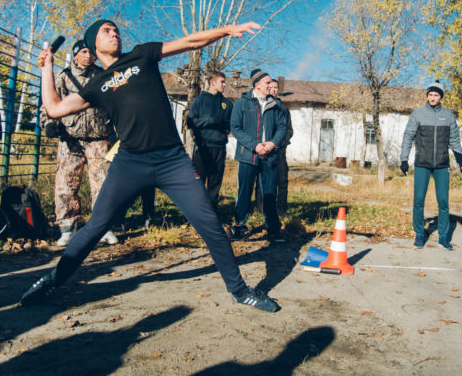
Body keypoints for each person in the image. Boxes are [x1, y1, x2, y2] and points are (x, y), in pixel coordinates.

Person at [20, 19, 280, 313]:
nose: (114, 33)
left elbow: (190, 42)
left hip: (172, 160)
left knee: (210, 224)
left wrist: (226, 30)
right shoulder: (96, 85)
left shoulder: (141, 55)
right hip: (130, 163)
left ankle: (239, 290)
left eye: (116, 29)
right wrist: (46, 68)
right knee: (95, 226)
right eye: (107, 31)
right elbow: (54, 108)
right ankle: (53, 280)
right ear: (94, 44)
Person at [40, 39, 118, 246]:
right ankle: (67, 228)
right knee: (65, 184)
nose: (88, 55)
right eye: (83, 51)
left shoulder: (103, 77)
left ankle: (103, 227)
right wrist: (48, 122)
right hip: (70, 139)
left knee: (103, 184)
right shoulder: (63, 77)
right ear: (75, 55)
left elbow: (116, 104)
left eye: (90, 51)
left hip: (99, 138)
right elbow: (48, 102)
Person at [399, 80, 462, 251]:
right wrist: (403, 159)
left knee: (443, 202)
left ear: (441, 97)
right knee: (419, 200)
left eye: (436, 95)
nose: (433, 98)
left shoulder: (448, 115)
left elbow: (454, 141)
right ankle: (419, 234)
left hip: (442, 164)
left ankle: (443, 237)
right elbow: (408, 135)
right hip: (422, 163)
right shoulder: (418, 113)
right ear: (427, 95)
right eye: (430, 94)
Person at [230, 69, 287, 242]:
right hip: (248, 156)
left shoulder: (275, 105)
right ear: (257, 85)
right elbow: (235, 128)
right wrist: (254, 145)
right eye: (268, 83)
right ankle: (239, 227)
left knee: (269, 194)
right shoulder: (242, 103)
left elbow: (282, 127)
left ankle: (273, 230)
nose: (271, 86)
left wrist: (272, 143)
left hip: (269, 157)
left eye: (271, 83)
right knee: (244, 193)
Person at [186, 71, 233, 208]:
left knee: (215, 183)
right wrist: (211, 121)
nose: (224, 84)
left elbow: (232, 124)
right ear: (212, 82)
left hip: (219, 148)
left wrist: (225, 127)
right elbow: (190, 123)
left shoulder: (226, 103)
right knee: (198, 183)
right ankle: (197, 213)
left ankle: (212, 214)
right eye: (222, 82)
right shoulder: (199, 100)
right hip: (203, 147)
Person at [268, 79, 293, 215]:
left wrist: (281, 144)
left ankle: (281, 209)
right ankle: (260, 208)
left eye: (276, 88)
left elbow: (289, 130)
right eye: (270, 87)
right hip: (265, 151)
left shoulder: (283, 109)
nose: (273, 90)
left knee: (282, 180)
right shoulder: (263, 106)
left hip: (280, 151)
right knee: (263, 182)